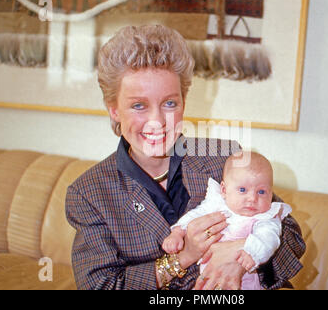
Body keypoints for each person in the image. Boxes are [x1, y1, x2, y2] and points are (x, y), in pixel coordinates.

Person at [65, 24, 305, 290]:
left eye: (169, 103)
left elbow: (292, 237)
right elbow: (100, 285)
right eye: (138, 105)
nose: (157, 122)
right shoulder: (89, 193)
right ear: (113, 110)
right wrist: (183, 257)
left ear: (183, 102)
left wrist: (242, 255)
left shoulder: (224, 157)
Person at [162, 151, 292, 290]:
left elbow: (269, 238)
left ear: (271, 193)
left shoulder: (265, 217)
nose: (252, 199)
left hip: (244, 282)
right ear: (224, 189)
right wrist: (177, 231)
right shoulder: (217, 204)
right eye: (242, 190)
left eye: (261, 192)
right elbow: (195, 215)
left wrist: (253, 253)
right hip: (206, 279)